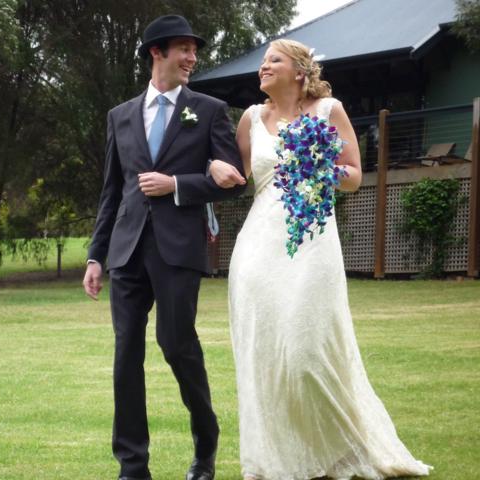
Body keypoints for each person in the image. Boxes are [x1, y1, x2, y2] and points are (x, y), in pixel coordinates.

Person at [209, 39, 432, 480]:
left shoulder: (329, 109)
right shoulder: (251, 119)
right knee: (267, 356)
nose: (263, 68)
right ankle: (279, 460)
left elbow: (353, 177)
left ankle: (340, 453)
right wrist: (216, 169)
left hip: (312, 241)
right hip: (258, 249)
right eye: (262, 62)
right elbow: (237, 179)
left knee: (307, 353)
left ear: (299, 70)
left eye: (274, 60)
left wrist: (318, 168)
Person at [82, 14, 246, 480]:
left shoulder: (210, 109)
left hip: (178, 249)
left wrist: (177, 184)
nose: (192, 58)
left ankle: (205, 444)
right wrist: (96, 255)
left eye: (194, 50)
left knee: (177, 346)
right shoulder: (120, 116)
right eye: (183, 49)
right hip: (127, 252)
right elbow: (112, 192)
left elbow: (234, 182)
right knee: (125, 354)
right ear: (157, 53)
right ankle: (132, 466)